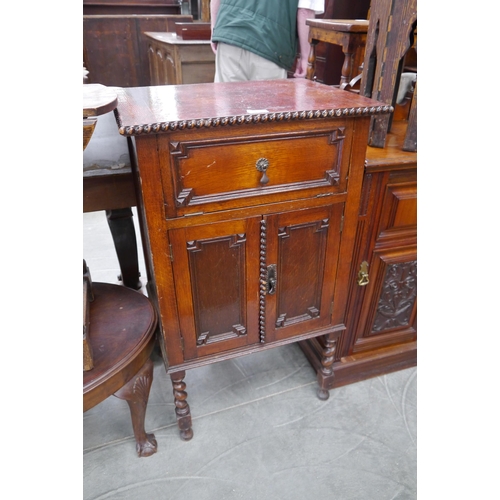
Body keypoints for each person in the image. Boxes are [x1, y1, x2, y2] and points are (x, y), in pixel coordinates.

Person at [210, 0, 325, 82]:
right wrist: (306, 58)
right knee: (265, 111)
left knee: (227, 113)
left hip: (230, 35)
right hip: (270, 45)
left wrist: (215, 29)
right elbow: (305, 11)